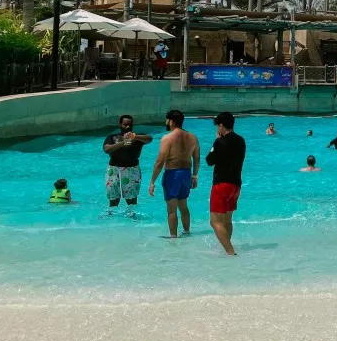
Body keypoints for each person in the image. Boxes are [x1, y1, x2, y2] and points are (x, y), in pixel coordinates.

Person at [148, 109, 200, 238]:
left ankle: (173, 237)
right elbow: (197, 158)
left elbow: (160, 162)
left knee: (172, 209)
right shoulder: (193, 137)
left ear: (171, 121)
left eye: (167, 120)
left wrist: (152, 182)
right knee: (183, 206)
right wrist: (195, 175)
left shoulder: (167, 138)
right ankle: (187, 232)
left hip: (172, 174)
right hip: (187, 173)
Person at [207, 112, 246, 255]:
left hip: (221, 184)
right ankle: (227, 247)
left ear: (221, 125)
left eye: (218, 126)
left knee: (215, 221)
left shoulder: (220, 141)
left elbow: (209, 161)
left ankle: (231, 252)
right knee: (227, 220)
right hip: (236, 185)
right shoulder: (241, 140)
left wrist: (216, 142)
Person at [103, 115, 153, 215]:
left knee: (131, 199)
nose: (128, 127)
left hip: (132, 169)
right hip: (113, 169)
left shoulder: (138, 138)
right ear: (120, 124)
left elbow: (149, 138)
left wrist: (135, 137)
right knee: (113, 198)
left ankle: (132, 219)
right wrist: (123, 142)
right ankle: (112, 220)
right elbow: (107, 149)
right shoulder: (113, 137)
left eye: (130, 124)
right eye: (125, 124)